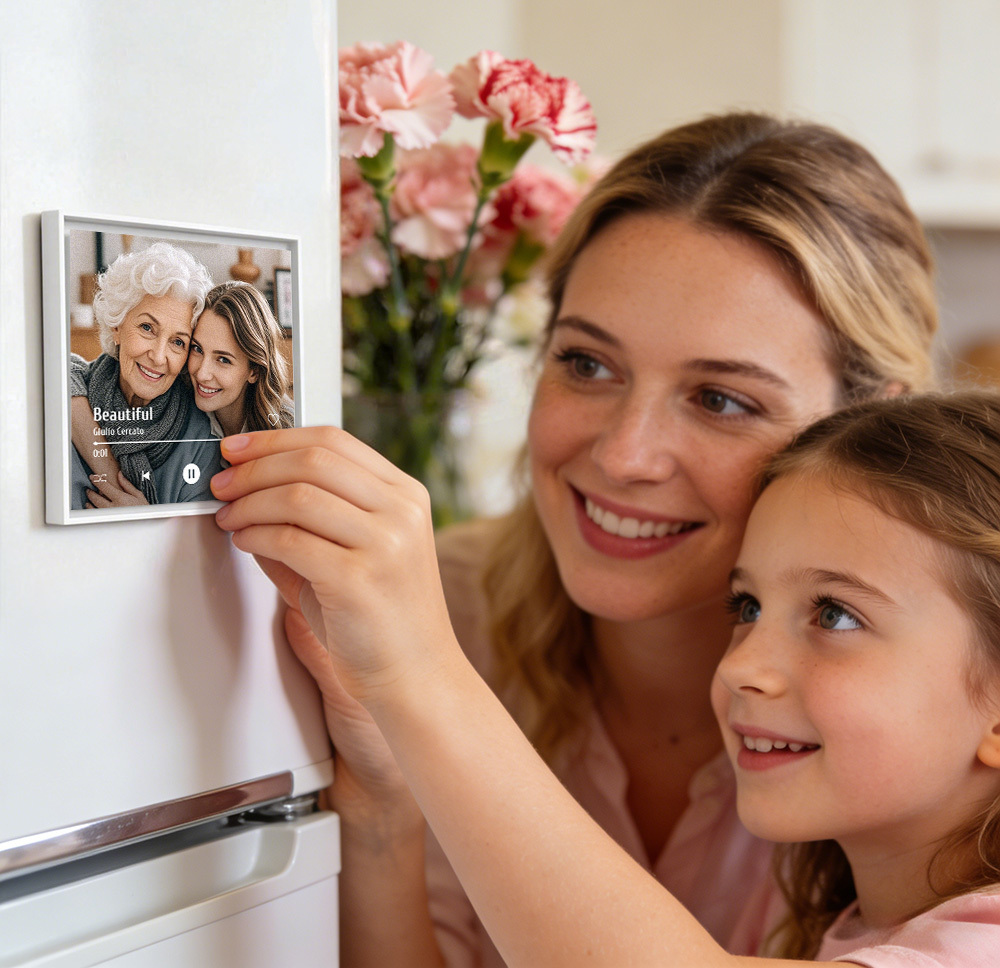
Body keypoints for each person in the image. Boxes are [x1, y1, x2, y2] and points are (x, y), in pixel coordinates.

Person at [215, 111, 939, 964]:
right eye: (587, 365)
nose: (625, 455)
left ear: (871, 425)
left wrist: (419, 674)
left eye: (722, 400)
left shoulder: (936, 727)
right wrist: (380, 803)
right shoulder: (429, 610)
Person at [214, 391, 1000, 966]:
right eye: (748, 605)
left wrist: (419, 669)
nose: (742, 667)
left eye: (834, 614)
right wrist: (384, 796)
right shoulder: (854, 921)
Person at [69, 241, 220, 508]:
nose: (159, 356)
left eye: (178, 342)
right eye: (147, 327)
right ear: (116, 325)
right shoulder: (69, 397)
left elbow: (196, 546)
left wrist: (143, 519)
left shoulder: (200, 436)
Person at [188, 280, 294, 440]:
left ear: (254, 371)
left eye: (223, 360)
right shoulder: (180, 408)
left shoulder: (288, 432)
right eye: (198, 349)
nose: (202, 374)